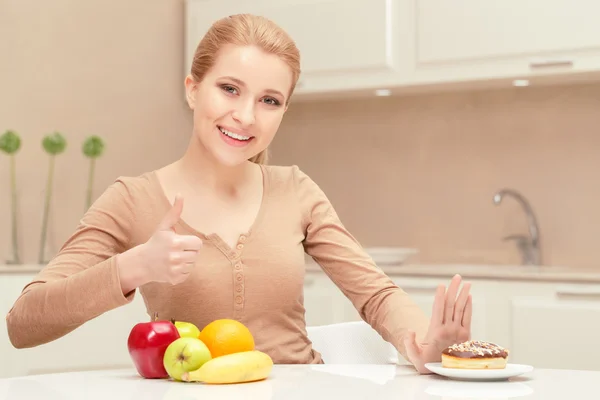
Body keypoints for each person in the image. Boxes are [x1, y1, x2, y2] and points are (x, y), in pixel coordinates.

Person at [5, 14, 472, 374]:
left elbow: (375, 294)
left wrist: (420, 341)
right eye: (230, 89)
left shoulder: (296, 190)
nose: (246, 116)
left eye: (270, 100)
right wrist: (134, 267)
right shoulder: (132, 199)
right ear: (193, 90)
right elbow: (23, 323)